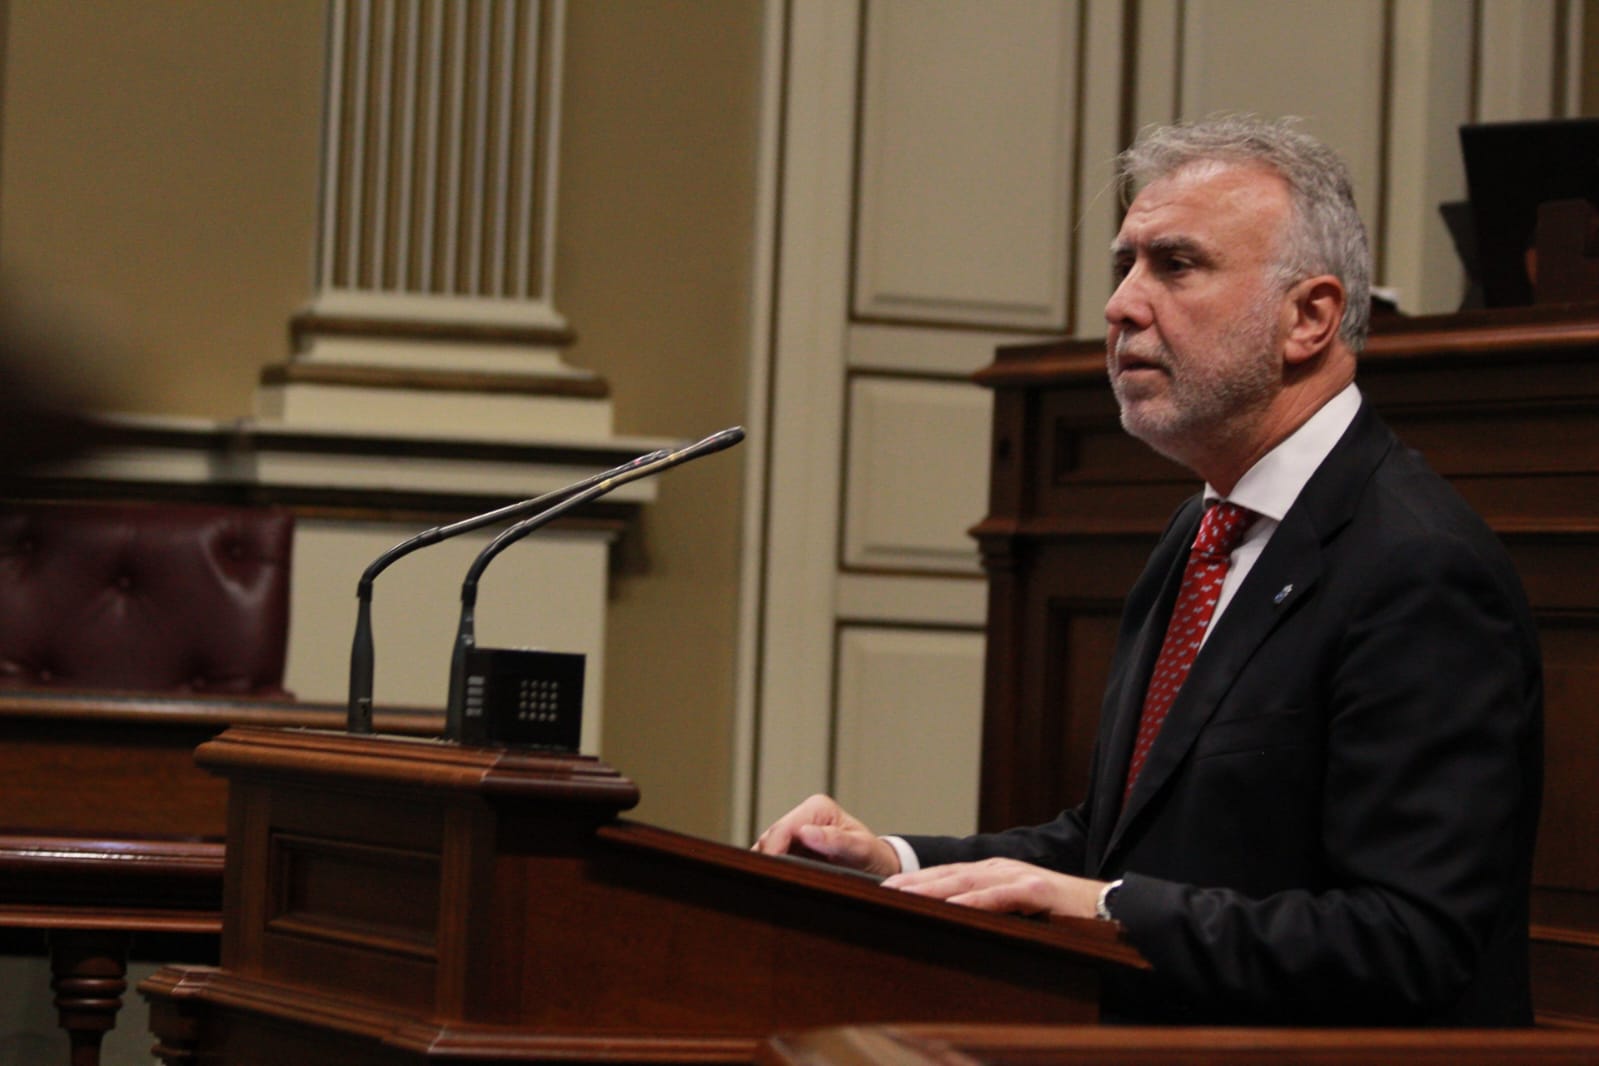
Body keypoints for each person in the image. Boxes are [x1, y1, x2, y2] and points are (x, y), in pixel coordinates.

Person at [754, 115, 1543, 1027]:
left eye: (1174, 265)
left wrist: (1105, 906)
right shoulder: (1205, 530)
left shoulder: (1419, 567)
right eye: (1124, 264)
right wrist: (893, 862)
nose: (1121, 304)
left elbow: (1411, 940)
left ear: (1309, 318)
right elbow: (1114, 843)